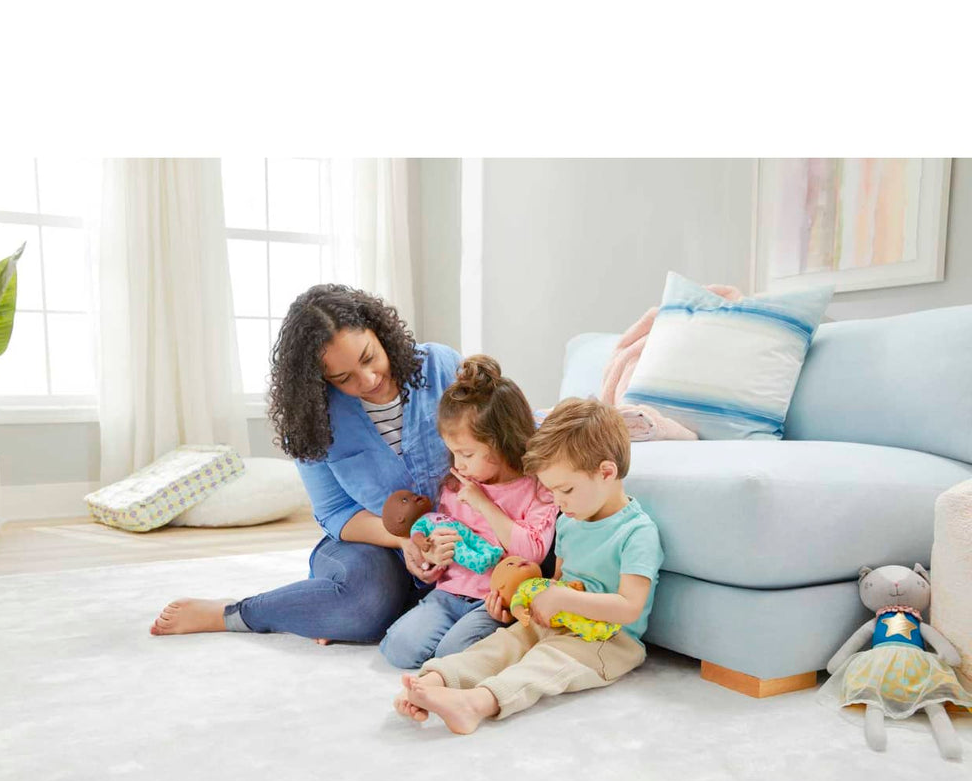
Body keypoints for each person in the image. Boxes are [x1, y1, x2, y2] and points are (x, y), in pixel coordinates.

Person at [151, 283, 465, 643]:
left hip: (459, 537)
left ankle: (325, 610)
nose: (367, 380)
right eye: (343, 378)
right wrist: (406, 540)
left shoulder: (442, 367)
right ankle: (234, 613)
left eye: (369, 357)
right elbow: (336, 512)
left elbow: (498, 440)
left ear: (380, 332)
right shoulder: (313, 418)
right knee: (364, 604)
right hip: (371, 543)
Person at [393, 397, 664, 734]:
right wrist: (528, 604)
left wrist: (562, 598)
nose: (559, 503)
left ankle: (475, 704)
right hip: (559, 621)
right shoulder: (570, 521)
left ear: (606, 472)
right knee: (503, 643)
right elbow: (558, 581)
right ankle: (433, 681)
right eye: (552, 492)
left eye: (566, 490)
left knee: (543, 662)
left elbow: (630, 608)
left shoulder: (636, 532)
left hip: (608, 641)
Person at [379, 355, 557, 669]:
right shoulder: (456, 485)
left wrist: (484, 504)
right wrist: (434, 557)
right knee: (399, 647)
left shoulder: (537, 489)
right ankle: (467, 647)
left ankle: (507, 638)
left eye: (466, 454)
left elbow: (531, 552)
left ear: (501, 441)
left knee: (454, 652)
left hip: (493, 601)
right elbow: (443, 540)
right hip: (449, 593)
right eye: (454, 453)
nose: (458, 464)